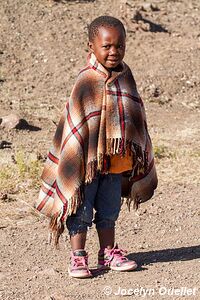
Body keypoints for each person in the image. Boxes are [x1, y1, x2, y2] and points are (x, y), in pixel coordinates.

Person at [35, 16, 157, 278]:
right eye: (107, 46)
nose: (114, 51)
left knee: (110, 208)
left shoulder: (126, 75)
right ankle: (78, 257)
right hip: (85, 162)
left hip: (114, 162)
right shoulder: (86, 79)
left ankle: (108, 252)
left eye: (120, 46)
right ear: (91, 45)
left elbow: (134, 115)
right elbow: (75, 125)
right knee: (81, 208)